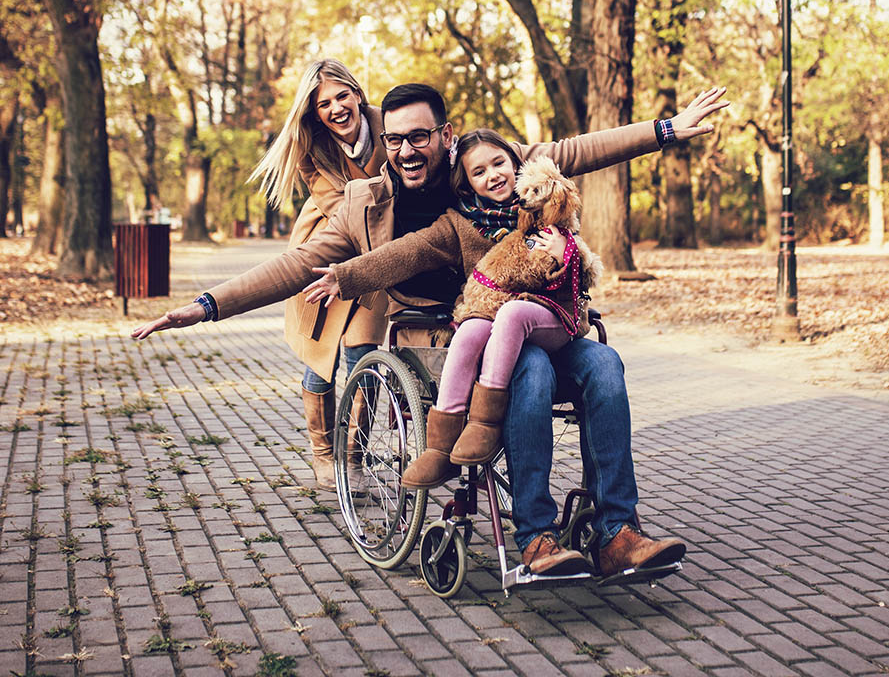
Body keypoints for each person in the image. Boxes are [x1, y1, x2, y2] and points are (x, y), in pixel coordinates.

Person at [132, 82, 729, 578]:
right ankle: (536, 537)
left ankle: (617, 531)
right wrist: (206, 305)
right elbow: (299, 265)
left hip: (539, 320)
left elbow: (576, 152)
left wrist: (669, 129)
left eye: (420, 136)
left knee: (604, 364)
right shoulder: (367, 203)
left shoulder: (490, 165)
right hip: (441, 345)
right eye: (394, 140)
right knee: (531, 368)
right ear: (384, 143)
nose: (407, 150)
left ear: (444, 135)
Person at [301, 131, 605, 494]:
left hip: (553, 321)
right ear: (466, 184)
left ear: (516, 166)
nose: (492, 175)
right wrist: (346, 276)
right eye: (479, 172)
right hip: (497, 335)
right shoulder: (458, 225)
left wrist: (562, 253)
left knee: (602, 364)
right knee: (480, 336)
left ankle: (613, 522)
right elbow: (406, 252)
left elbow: (585, 265)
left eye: (499, 164)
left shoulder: (547, 212)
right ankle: (444, 449)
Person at [248, 59, 388, 489]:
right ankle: (324, 456)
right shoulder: (313, 147)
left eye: (342, 96)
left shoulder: (390, 125)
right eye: (324, 104)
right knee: (321, 355)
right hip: (326, 243)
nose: (336, 108)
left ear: (358, 93)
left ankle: (355, 456)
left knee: (362, 353)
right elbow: (338, 207)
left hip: (381, 245)